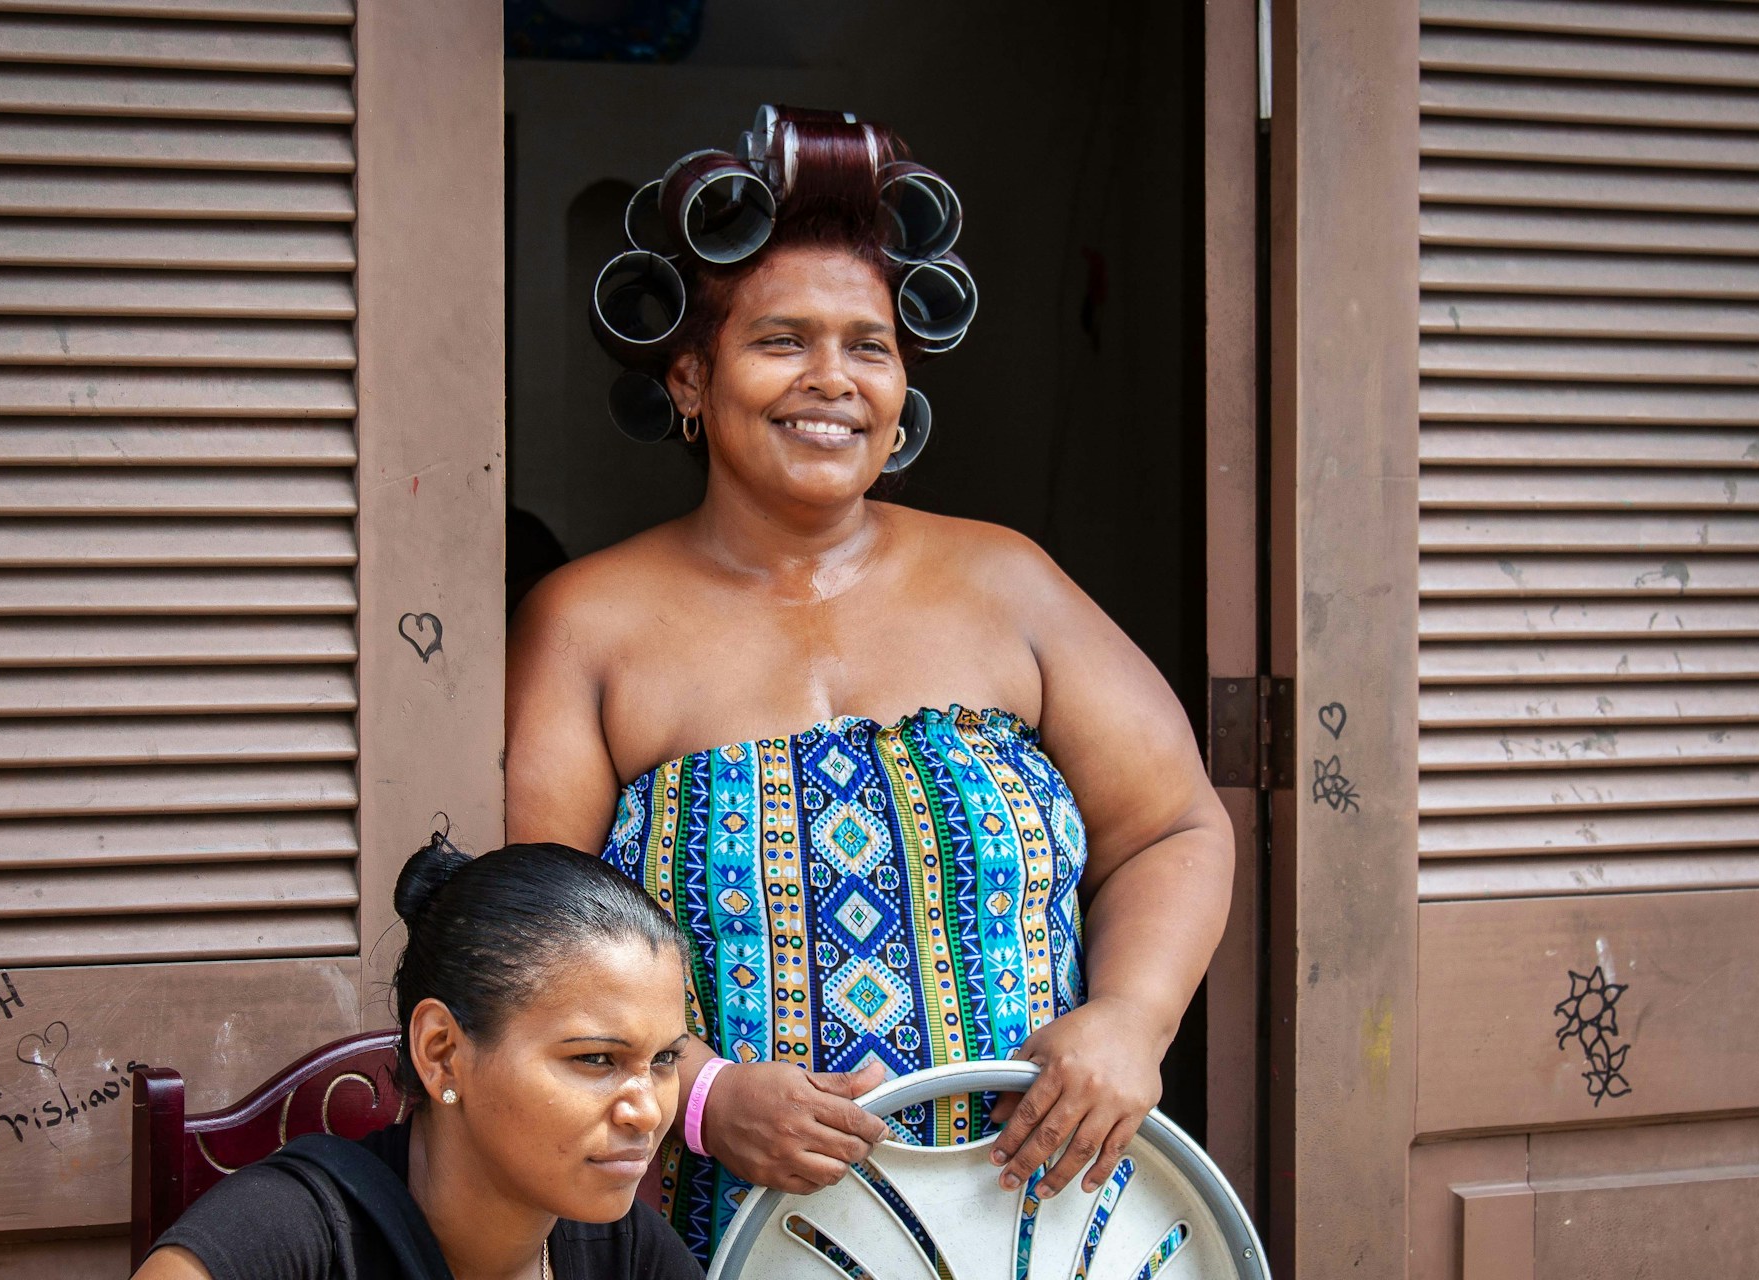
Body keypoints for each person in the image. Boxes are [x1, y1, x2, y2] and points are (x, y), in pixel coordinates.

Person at [505, 105, 1234, 1263]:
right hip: (745, 1231)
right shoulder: (587, 623)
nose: (831, 380)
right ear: (691, 376)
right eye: (782, 340)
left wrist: (1131, 1020)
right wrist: (702, 1094)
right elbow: (534, 939)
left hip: (1041, 1222)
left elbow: (1176, 828)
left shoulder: (1010, 581)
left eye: (870, 346)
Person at [132, 840, 703, 1280]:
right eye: (597, 1059)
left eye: (663, 1061)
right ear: (443, 1053)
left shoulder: (627, 1253)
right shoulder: (290, 1234)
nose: (648, 1113)